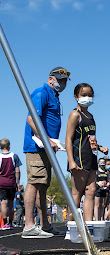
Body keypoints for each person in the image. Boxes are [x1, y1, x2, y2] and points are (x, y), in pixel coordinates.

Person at [22, 67, 71, 238]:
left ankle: (45, 225)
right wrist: (47, 140)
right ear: (51, 79)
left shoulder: (54, 97)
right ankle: (29, 226)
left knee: (43, 185)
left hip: (48, 147)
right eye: (60, 80)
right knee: (34, 182)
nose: (63, 83)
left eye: (65, 81)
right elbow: (31, 118)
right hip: (37, 147)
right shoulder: (41, 93)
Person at [64, 83, 107, 222]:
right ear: (76, 96)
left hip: (92, 158)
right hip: (79, 158)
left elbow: (89, 138)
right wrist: (71, 160)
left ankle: (89, 226)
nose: (87, 98)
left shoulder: (91, 116)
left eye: (90, 95)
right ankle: (71, 227)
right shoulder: (75, 114)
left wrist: (99, 147)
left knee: (91, 192)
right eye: (84, 95)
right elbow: (69, 138)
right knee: (76, 194)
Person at [0, 139, 22, 230]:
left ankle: (5, 223)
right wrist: (18, 183)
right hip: (11, 182)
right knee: (10, 203)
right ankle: (10, 223)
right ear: (9, 146)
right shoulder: (14, 156)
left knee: (3, 203)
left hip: (1, 183)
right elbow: (17, 171)